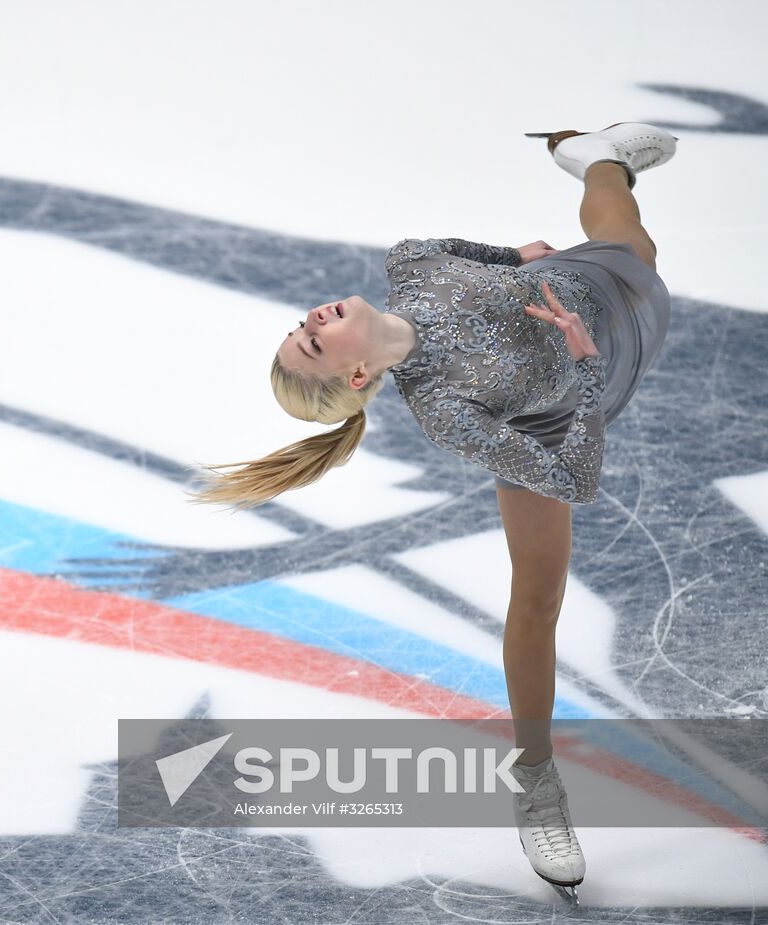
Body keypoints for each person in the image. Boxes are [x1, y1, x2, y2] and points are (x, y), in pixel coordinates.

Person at [189, 122, 679, 907]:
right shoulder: (445, 408)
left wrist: (516, 259)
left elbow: (462, 249)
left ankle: (597, 155)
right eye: (312, 344)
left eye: (299, 327)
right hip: (559, 409)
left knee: (632, 241)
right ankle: (537, 779)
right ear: (355, 373)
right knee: (537, 601)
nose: (309, 320)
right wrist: (583, 369)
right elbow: (572, 478)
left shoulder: (410, 259)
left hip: (592, 289)